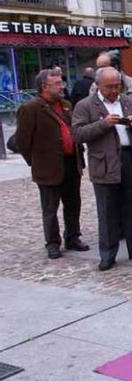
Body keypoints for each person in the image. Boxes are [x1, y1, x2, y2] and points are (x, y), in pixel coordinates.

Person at [72, 67, 132, 271]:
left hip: (130, 158)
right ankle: (108, 254)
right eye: (109, 86)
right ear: (98, 85)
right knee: (107, 211)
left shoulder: (128, 101)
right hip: (105, 162)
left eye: (117, 85)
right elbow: (78, 134)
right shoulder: (86, 105)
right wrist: (104, 124)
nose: (114, 90)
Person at [17, 68, 89, 259]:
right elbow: (23, 141)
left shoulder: (65, 105)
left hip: (71, 162)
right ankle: (52, 242)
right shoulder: (31, 108)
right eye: (57, 84)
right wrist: (35, 161)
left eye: (61, 83)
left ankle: (73, 236)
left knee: (73, 204)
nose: (61, 87)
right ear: (44, 87)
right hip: (47, 167)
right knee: (50, 208)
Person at [94, 50, 132, 242]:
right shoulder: (95, 88)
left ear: (117, 68)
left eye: (103, 67)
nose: (100, 71)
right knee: (111, 195)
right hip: (107, 151)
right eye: (99, 68)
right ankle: (119, 230)